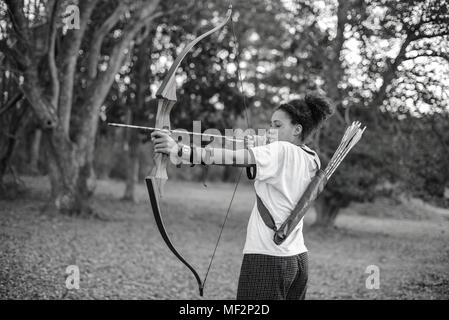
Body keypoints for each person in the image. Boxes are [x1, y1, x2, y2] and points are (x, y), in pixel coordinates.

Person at [151, 92, 334, 300]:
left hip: (267, 259)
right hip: (298, 260)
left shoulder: (280, 150)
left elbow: (229, 157)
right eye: (271, 126)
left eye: (277, 126)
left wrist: (179, 150)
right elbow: (271, 174)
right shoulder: (312, 158)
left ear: (297, 129)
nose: (270, 131)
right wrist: (255, 149)